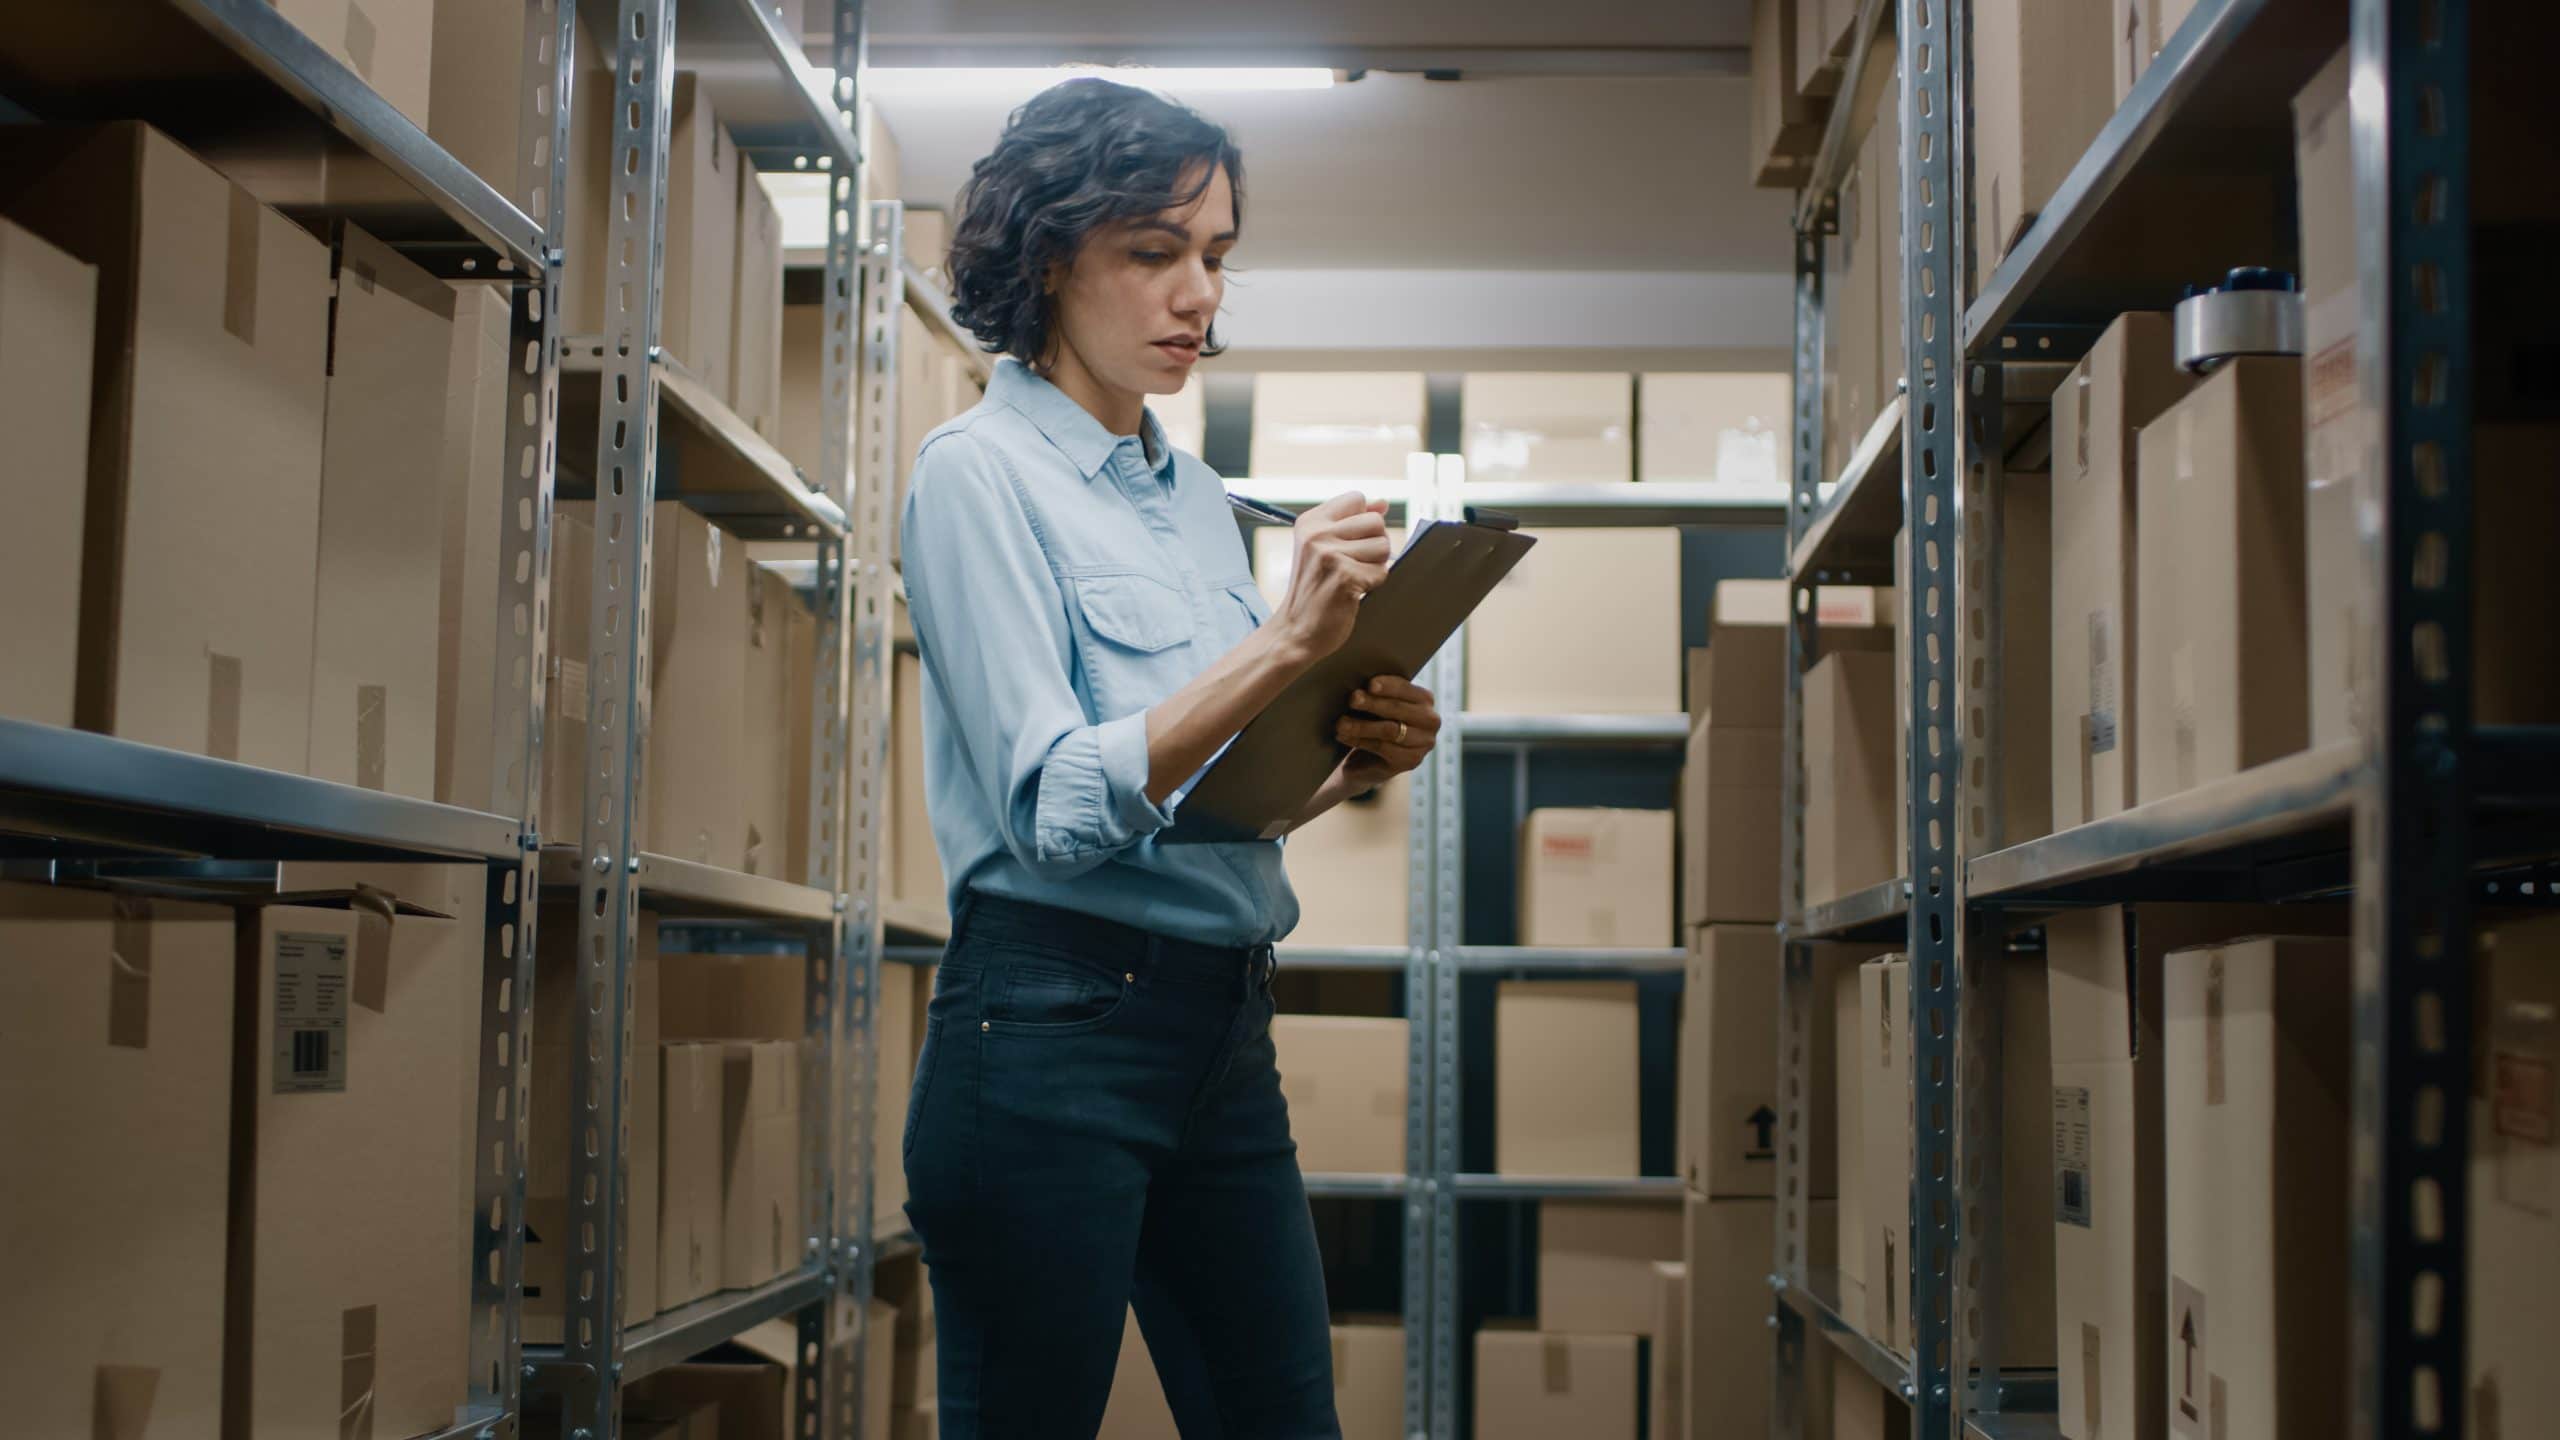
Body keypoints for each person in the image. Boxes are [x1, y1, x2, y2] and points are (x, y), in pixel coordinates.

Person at [895, 77, 1441, 1438]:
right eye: (1154, 253)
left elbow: (1195, 806)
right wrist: (1282, 643)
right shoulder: (974, 475)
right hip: (1047, 1031)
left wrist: (1348, 763)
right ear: (1047, 258)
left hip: (1222, 1028)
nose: (1198, 295)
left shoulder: (1195, 502)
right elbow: (1057, 810)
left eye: (1215, 258)